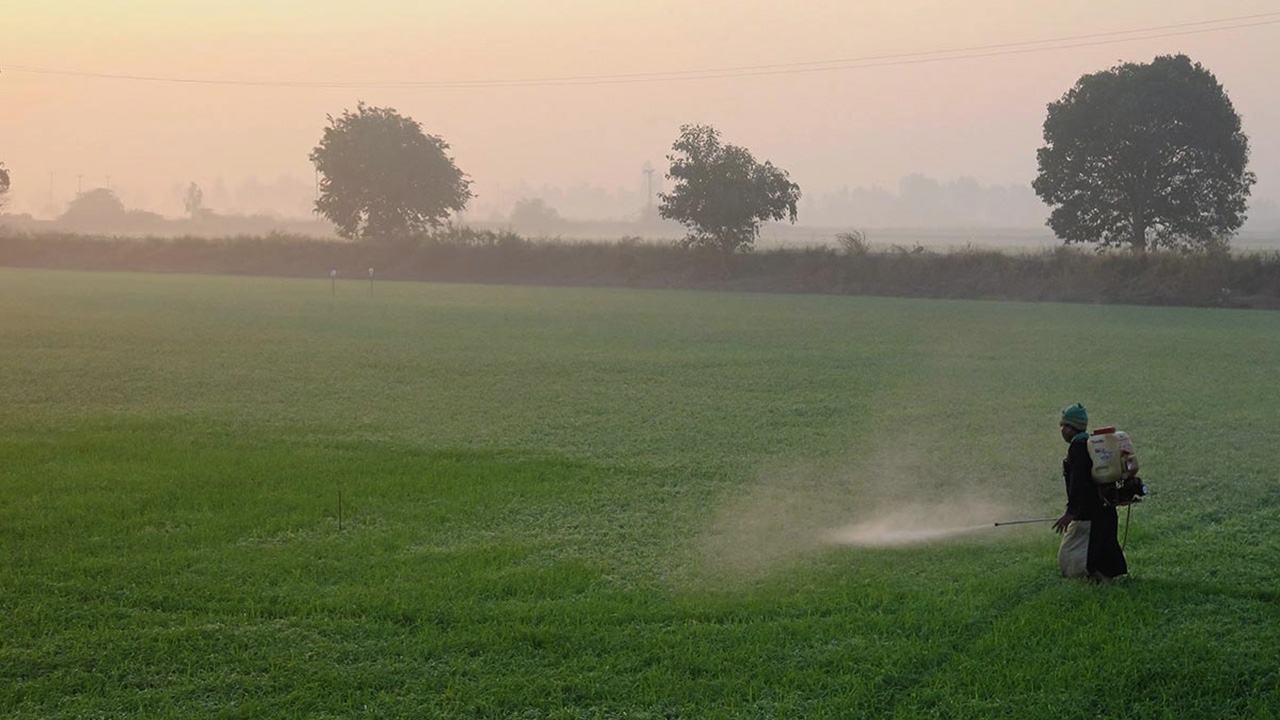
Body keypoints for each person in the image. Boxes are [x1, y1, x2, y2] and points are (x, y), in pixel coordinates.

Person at [1052, 403, 1128, 582]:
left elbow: (1079, 483)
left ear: (1072, 427)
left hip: (1088, 514)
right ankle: (1103, 578)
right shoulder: (1092, 444)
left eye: (1064, 426)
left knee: (1070, 555)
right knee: (1103, 547)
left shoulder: (1078, 447)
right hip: (1105, 509)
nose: (1062, 430)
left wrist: (1071, 513)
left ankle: (1089, 580)